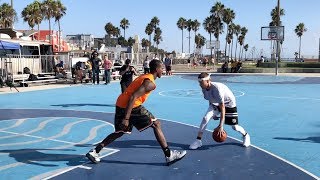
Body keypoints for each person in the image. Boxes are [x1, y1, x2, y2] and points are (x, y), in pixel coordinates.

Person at [86, 59, 187, 165]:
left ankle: (95, 151)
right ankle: (169, 155)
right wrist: (126, 118)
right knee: (156, 124)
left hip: (121, 103)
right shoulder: (150, 83)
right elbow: (133, 97)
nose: (163, 70)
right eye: (162, 68)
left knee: (120, 131)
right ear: (157, 69)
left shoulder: (144, 76)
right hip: (132, 106)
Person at [189, 72, 251, 149]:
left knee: (234, 127)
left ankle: (246, 135)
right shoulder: (204, 88)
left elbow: (223, 108)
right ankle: (198, 141)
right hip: (215, 103)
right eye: (199, 82)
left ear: (208, 81)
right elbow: (210, 99)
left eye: (201, 82)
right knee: (206, 118)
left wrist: (221, 126)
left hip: (229, 104)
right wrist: (213, 114)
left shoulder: (217, 89)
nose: (200, 84)